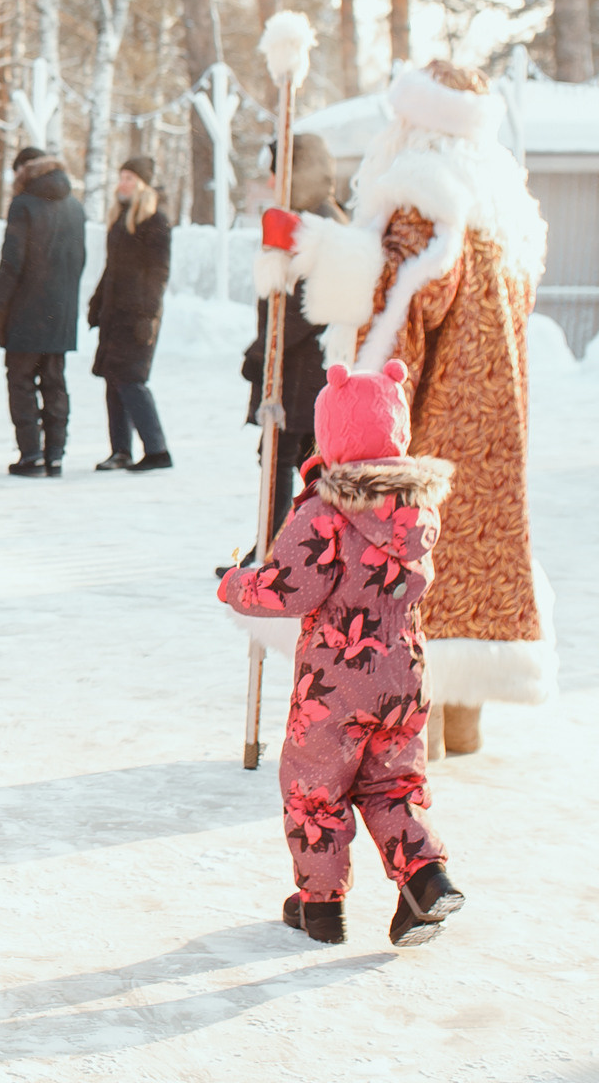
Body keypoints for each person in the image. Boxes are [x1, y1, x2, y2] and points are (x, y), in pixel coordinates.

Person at [264, 60, 553, 757]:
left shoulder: (426, 200)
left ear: (419, 127)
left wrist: (307, 247)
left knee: (404, 561)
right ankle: (464, 720)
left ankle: (406, 726)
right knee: (476, 555)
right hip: (491, 428)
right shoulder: (505, 212)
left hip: (420, 416)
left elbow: (398, 301)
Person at [220, 359, 467, 948]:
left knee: (315, 787)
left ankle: (321, 906)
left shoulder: (322, 510)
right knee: (392, 785)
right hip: (405, 670)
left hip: (336, 678)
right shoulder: (417, 508)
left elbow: (289, 588)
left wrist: (235, 584)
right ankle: (427, 877)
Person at [243, 133, 344, 533]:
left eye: (276, 173)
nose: (270, 183)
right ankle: (279, 548)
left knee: (291, 459)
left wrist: (265, 351)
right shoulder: (307, 218)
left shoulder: (320, 224)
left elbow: (308, 307)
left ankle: (280, 551)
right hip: (296, 367)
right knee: (289, 459)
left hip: (304, 368)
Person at [0, 147, 85, 477]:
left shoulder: (23, 205)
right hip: (60, 312)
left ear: (22, 171)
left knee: (21, 383)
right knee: (55, 382)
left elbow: (11, 263)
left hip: (25, 313)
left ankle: (31, 455)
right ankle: (55, 454)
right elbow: (80, 260)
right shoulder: (75, 206)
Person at [89, 156, 174, 472]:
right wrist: (97, 303)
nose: (122, 183)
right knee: (113, 380)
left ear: (143, 184)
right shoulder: (120, 219)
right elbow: (112, 269)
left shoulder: (155, 222)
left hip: (138, 317)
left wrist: (147, 316)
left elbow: (158, 273)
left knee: (132, 380)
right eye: (121, 176)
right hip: (116, 315)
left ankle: (157, 450)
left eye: (129, 177)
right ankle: (120, 450)